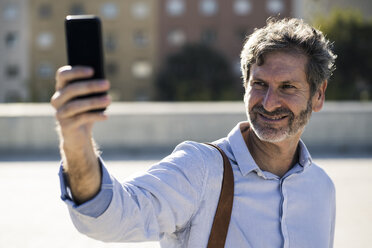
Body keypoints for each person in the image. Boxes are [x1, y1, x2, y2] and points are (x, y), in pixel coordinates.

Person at [51, 18, 336, 247]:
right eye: (259, 84)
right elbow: (112, 218)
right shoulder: (200, 169)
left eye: (288, 87)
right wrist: (76, 143)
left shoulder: (321, 188)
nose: (268, 102)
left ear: (318, 95)